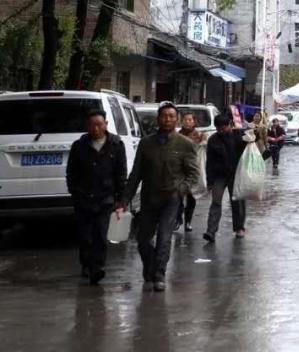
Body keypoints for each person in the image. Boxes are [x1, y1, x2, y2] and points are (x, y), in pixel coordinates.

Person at [120, 101, 199, 292]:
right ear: (158, 119)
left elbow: (193, 174)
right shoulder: (146, 143)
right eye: (164, 116)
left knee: (164, 238)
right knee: (143, 240)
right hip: (149, 197)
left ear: (176, 120)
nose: (167, 119)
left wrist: (181, 190)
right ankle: (149, 270)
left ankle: (159, 275)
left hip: (171, 198)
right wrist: (124, 200)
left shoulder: (185, 144)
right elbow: (136, 174)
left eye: (171, 116)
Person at [65, 108, 127, 285]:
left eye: (99, 124)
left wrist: (121, 198)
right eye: (92, 125)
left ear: (105, 124)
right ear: (87, 126)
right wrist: (74, 191)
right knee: (85, 234)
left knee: (100, 233)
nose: (96, 128)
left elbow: (121, 173)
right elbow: (71, 172)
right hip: (83, 197)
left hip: (105, 198)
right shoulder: (79, 146)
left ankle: (97, 267)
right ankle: (86, 264)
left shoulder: (116, 144)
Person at [203, 114, 248, 242]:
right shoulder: (213, 140)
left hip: (236, 175)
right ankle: (211, 231)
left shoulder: (239, 135)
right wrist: (209, 181)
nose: (221, 130)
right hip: (219, 176)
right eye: (218, 128)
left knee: (237, 202)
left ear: (229, 125)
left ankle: (239, 228)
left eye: (224, 127)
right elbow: (209, 162)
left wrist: (254, 134)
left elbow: (251, 145)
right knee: (216, 202)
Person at [176, 111, 205, 233]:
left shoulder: (199, 135)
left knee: (191, 197)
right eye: (185, 120)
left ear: (194, 122)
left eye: (190, 120)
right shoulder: (177, 135)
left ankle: (188, 221)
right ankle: (178, 218)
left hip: (193, 169)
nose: (187, 122)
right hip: (179, 169)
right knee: (178, 196)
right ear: (182, 121)